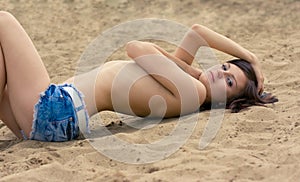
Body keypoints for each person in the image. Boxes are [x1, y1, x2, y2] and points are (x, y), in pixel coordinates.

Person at [0, 11, 277, 142]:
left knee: (4, 20)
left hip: (57, 110)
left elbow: (137, 48)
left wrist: (191, 70)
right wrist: (249, 57)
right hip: (53, 119)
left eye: (229, 83)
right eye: (227, 67)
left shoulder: (195, 92)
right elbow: (197, 32)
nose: (221, 72)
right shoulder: (184, 82)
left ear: (225, 101)